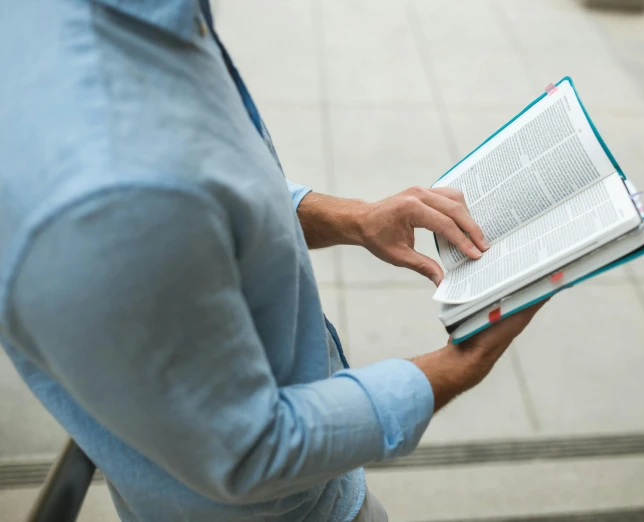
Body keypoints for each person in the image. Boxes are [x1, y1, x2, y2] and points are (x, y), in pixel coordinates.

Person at [0, 1, 545, 521]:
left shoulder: (134, 28)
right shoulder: (109, 191)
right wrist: (457, 367)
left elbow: (198, 189)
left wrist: (352, 217)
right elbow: (248, 451)